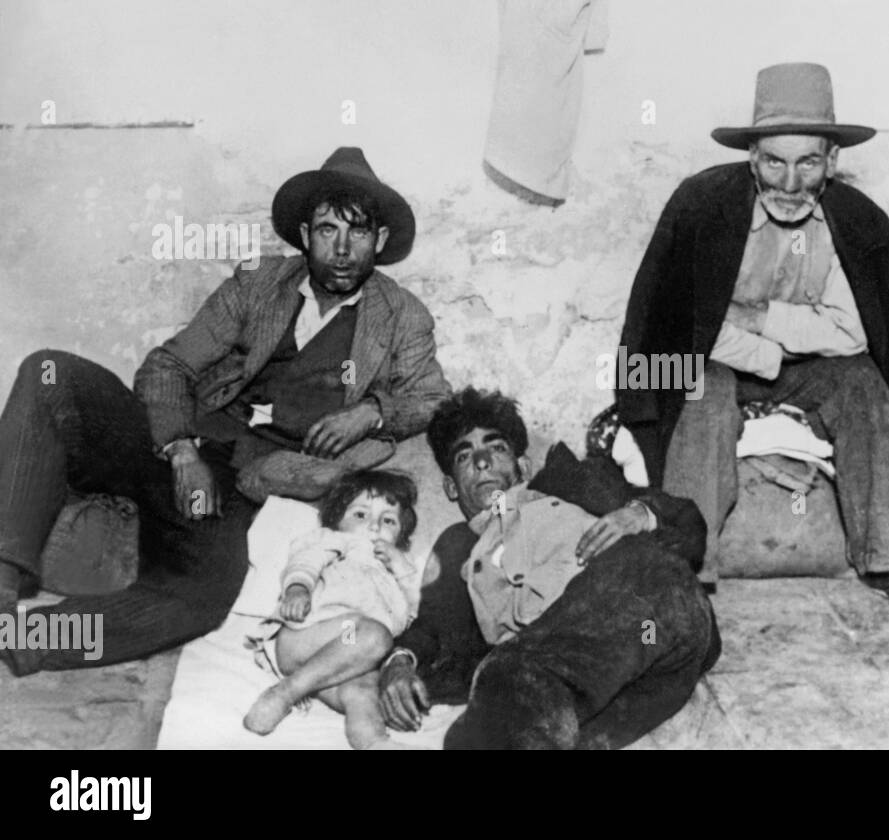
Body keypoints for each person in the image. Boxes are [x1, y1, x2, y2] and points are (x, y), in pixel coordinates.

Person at [0, 147, 450, 675]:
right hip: (173, 441)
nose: (344, 249)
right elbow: (168, 366)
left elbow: (433, 399)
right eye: (328, 230)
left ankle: (31, 636)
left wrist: (372, 411)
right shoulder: (259, 283)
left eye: (359, 233)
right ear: (305, 236)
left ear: (380, 240)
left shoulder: (402, 318)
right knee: (51, 374)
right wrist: (181, 450)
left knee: (203, 596)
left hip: (242, 486)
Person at [615, 62, 889, 614]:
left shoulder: (861, 223)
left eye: (808, 162)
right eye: (774, 161)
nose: (789, 184)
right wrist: (773, 347)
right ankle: (687, 569)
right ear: (752, 158)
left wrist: (757, 316)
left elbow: (853, 336)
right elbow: (684, 334)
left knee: (862, 385)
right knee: (699, 387)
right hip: (714, 363)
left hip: (801, 365)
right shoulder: (701, 207)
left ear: (833, 161)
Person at [378, 387, 721, 749]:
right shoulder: (458, 546)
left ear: (523, 467)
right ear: (450, 487)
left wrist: (640, 514)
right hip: (585, 676)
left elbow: (689, 523)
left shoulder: (577, 481)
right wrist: (399, 662)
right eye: (465, 456)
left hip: (655, 612)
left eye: (496, 449)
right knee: (493, 712)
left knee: (515, 676)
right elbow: (433, 625)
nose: (482, 461)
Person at [243, 470, 421, 749]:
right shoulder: (337, 540)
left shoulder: (396, 570)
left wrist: (403, 569)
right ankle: (285, 693)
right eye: (361, 515)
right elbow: (306, 560)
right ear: (338, 520)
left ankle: (375, 742)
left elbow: (411, 614)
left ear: (401, 535)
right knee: (375, 635)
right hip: (311, 633)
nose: (374, 527)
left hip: (345, 659)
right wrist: (298, 588)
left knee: (363, 694)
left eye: (388, 520)